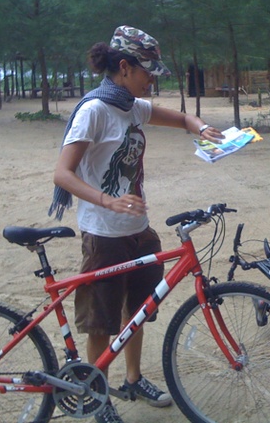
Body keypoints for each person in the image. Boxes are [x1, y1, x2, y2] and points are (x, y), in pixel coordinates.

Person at [49, 25, 224, 423]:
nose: (152, 81)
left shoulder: (133, 106)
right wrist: (108, 200)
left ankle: (132, 379)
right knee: (101, 323)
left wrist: (201, 128)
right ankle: (97, 395)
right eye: (148, 72)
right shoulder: (95, 110)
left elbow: (182, 118)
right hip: (104, 234)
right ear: (125, 67)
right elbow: (62, 174)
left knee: (138, 311)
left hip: (138, 230)